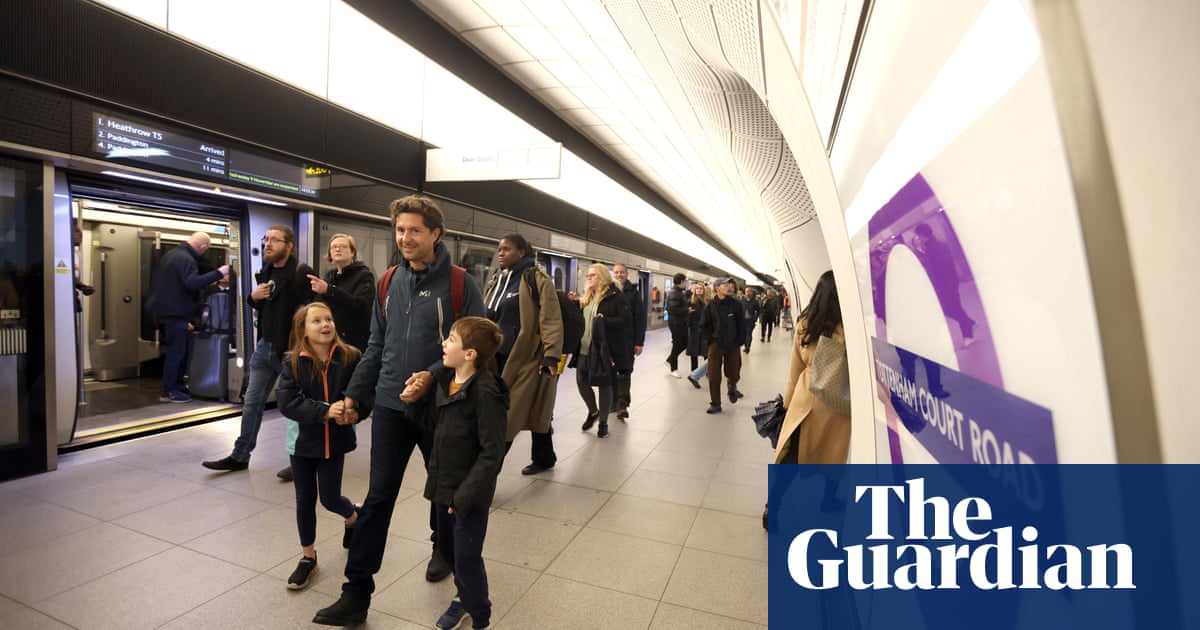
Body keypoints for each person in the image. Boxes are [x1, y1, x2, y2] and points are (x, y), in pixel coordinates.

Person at [313, 195, 486, 627]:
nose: (405, 237)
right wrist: (355, 393)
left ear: (435, 235)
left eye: (414, 230)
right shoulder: (390, 281)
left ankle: (458, 580)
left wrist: (430, 374)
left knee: (449, 497)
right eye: (400, 230)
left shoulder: (462, 284)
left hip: (443, 408)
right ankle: (356, 594)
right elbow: (377, 344)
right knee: (377, 500)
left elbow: (478, 347)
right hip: (392, 406)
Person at [408, 316, 507, 630]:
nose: (444, 343)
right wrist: (413, 403)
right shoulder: (445, 383)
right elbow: (433, 427)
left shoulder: (486, 393)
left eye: (451, 339)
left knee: (467, 559)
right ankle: (463, 598)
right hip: (442, 485)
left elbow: (492, 453)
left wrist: (464, 497)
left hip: (468, 495)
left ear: (470, 354)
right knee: (448, 551)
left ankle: (481, 617)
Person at [204, 225, 314, 473]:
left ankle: (301, 460)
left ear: (289, 245)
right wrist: (254, 298)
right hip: (264, 347)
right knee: (252, 403)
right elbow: (263, 308)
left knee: (294, 408)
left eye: (275, 240)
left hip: (290, 351)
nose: (268, 244)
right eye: (267, 240)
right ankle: (240, 455)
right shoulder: (264, 271)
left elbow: (311, 314)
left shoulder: (301, 273)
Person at [275, 302, 367, 590]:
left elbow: (363, 393)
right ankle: (308, 558)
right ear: (303, 329)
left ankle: (353, 516)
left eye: (328, 318)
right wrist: (326, 411)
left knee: (329, 498)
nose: (325, 324)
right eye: (316, 321)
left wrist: (356, 411)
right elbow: (288, 402)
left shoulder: (350, 357)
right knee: (305, 499)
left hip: (334, 442)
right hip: (302, 443)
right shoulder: (292, 361)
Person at [771, 270, 850, 515]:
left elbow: (795, 365)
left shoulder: (806, 322)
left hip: (806, 396)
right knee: (835, 453)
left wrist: (788, 399)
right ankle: (828, 500)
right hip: (838, 401)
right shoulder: (847, 325)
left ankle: (772, 506)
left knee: (792, 456)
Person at [483, 234, 563, 475]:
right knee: (537, 411)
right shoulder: (496, 280)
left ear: (521, 252)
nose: (501, 253)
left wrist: (551, 355)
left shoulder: (535, 279)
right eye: (499, 249)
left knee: (508, 418)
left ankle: (483, 478)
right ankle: (545, 457)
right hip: (496, 359)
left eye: (506, 249)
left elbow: (549, 318)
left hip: (527, 357)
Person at [152, 232, 230, 403]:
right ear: (203, 247)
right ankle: (171, 390)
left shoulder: (171, 255)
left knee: (175, 352)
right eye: (205, 250)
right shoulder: (186, 259)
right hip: (177, 313)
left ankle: (175, 387)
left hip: (169, 312)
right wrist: (219, 272)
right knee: (177, 353)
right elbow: (192, 283)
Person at [571, 264, 630, 439]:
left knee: (604, 384)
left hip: (604, 350)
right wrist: (574, 304)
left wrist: (606, 320)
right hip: (583, 348)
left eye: (593, 275)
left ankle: (603, 422)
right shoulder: (586, 298)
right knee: (582, 382)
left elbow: (625, 321)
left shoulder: (616, 298)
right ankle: (593, 411)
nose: (589, 278)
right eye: (588, 276)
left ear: (602, 277)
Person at [309, 233, 376, 352]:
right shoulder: (330, 276)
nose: (337, 249)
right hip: (330, 339)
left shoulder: (364, 275)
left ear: (352, 253)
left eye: (343, 246)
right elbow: (320, 305)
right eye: (333, 247)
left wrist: (329, 290)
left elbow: (360, 305)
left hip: (352, 343)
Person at [911, 223, 975, 347]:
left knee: (953, 308)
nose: (918, 238)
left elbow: (943, 268)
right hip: (943, 285)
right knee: (951, 309)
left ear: (924, 235)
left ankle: (968, 333)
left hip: (947, 284)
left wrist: (931, 272)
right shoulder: (931, 247)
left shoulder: (938, 247)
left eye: (918, 235)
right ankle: (968, 323)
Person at [701, 278, 745, 414]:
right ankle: (715, 403)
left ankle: (732, 390)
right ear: (717, 288)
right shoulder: (710, 306)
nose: (729, 287)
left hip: (733, 344)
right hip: (716, 345)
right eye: (725, 285)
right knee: (714, 374)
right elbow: (702, 326)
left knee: (733, 372)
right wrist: (710, 340)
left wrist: (740, 341)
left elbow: (741, 325)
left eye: (729, 285)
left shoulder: (736, 305)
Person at [611, 263, 645, 420]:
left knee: (625, 371)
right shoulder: (608, 290)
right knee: (611, 372)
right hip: (611, 339)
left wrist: (639, 342)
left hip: (628, 340)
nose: (619, 275)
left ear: (627, 274)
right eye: (616, 272)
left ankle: (622, 404)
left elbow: (640, 318)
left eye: (622, 272)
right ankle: (613, 402)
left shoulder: (634, 293)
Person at [664, 273, 689, 378]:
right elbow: (673, 309)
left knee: (684, 343)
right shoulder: (675, 293)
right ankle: (673, 368)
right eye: (685, 281)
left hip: (680, 322)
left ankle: (670, 360)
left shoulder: (679, 293)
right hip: (676, 323)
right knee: (677, 345)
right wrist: (687, 310)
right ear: (682, 281)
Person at [684, 283, 709, 389]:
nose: (699, 290)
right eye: (697, 288)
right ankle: (694, 372)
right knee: (694, 352)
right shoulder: (690, 302)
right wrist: (687, 313)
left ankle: (707, 371)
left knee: (706, 352)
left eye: (701, 289)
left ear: (703, 290)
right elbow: (685, 316)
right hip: (694, 329)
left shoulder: (707, 303)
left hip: (704, 330)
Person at [741, 286, 761, 354]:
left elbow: (759, 311)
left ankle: (747, 347)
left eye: (749, 291)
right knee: (744, 334)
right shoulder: (742, 300)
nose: (748, 293)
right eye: (747, 291)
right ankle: (745, 345)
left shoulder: (755, 301)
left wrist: (755, 318)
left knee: (749, 333)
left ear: (751, 293)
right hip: (743, 320)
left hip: (750, 320)